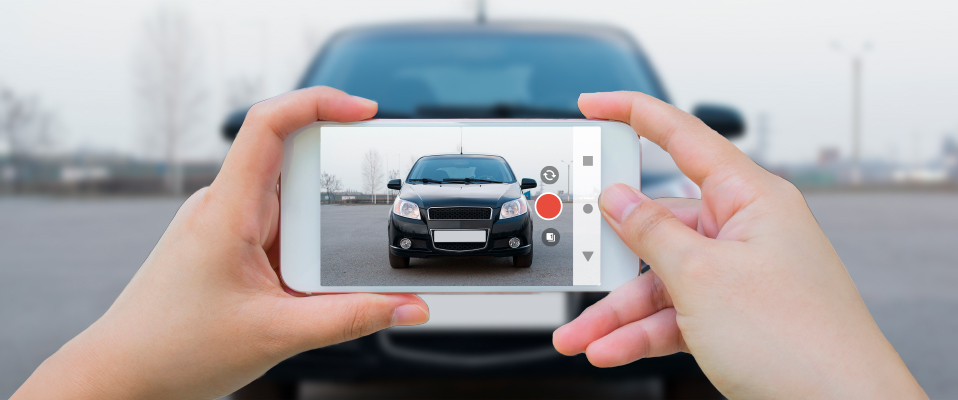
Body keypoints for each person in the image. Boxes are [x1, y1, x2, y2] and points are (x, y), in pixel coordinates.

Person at [12, 87, 926, 399]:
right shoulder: (410, 190)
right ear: (404, 200)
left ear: (520, 193)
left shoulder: (509, 189)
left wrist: (108, 381)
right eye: (419, 208)